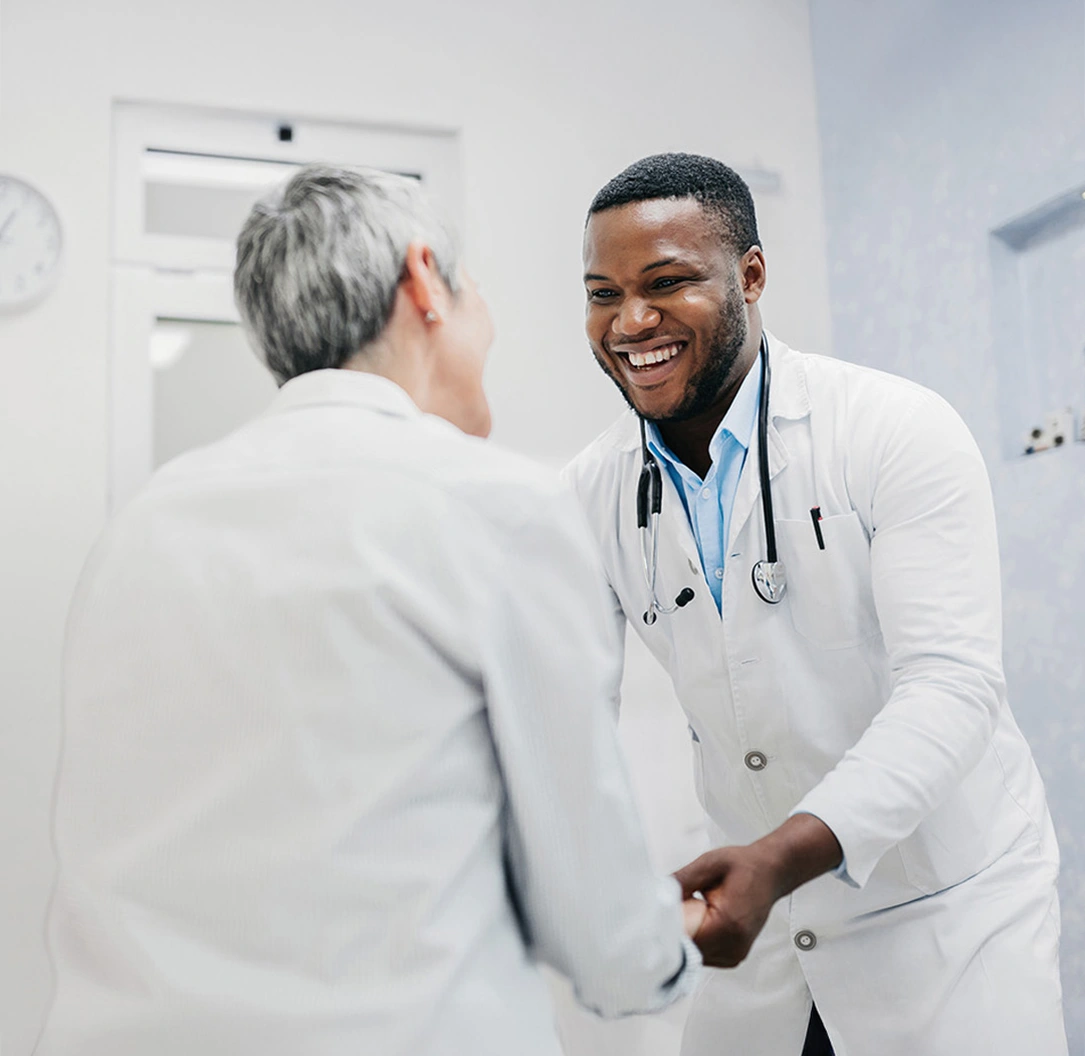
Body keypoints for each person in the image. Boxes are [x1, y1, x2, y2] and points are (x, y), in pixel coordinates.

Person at [35, 165, 705, 1056]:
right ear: (424, 279)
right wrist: (673, 945)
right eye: (471, 292)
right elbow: (599, 920)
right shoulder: (495, 505)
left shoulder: (141, 525)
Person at [565, 153, 1067, 1056]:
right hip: (756, 933)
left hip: (944, 913)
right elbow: (564, 714)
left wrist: (776, 858)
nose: (630, 322)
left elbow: (950, 689)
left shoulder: (890, 429)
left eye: (666, 283)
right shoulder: (591, 493)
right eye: (604, 294)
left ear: (750, 276)